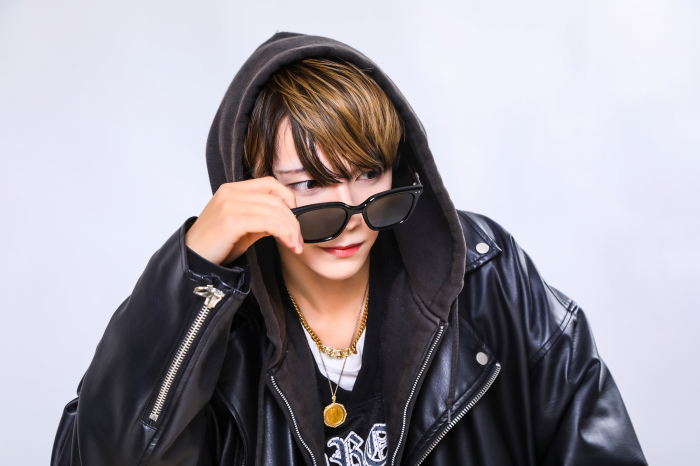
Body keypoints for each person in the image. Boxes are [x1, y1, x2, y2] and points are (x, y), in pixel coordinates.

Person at [51, 32, 647, 466]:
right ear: (248, 182)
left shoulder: (487, 275)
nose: (352, 218)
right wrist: (195, 270)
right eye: (310, 185)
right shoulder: (213, 326)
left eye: (369, 174)